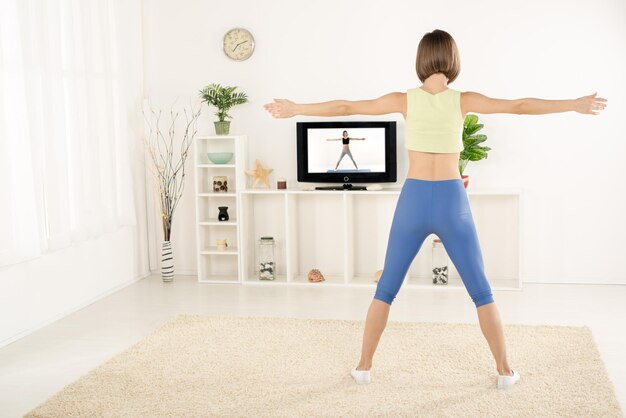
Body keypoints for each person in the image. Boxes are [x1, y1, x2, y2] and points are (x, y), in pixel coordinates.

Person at [263, 29, 607, 389]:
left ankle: (363, 367)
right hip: (451, 201)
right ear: (453, 60)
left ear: (421, 60)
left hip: (412, 199)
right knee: (482, 292)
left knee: (386, 290)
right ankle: (505, 372)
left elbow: (346, 107)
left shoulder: (405, 100)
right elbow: (519, 105)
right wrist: (573, 104)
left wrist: (296, 109)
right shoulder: (462, 100)